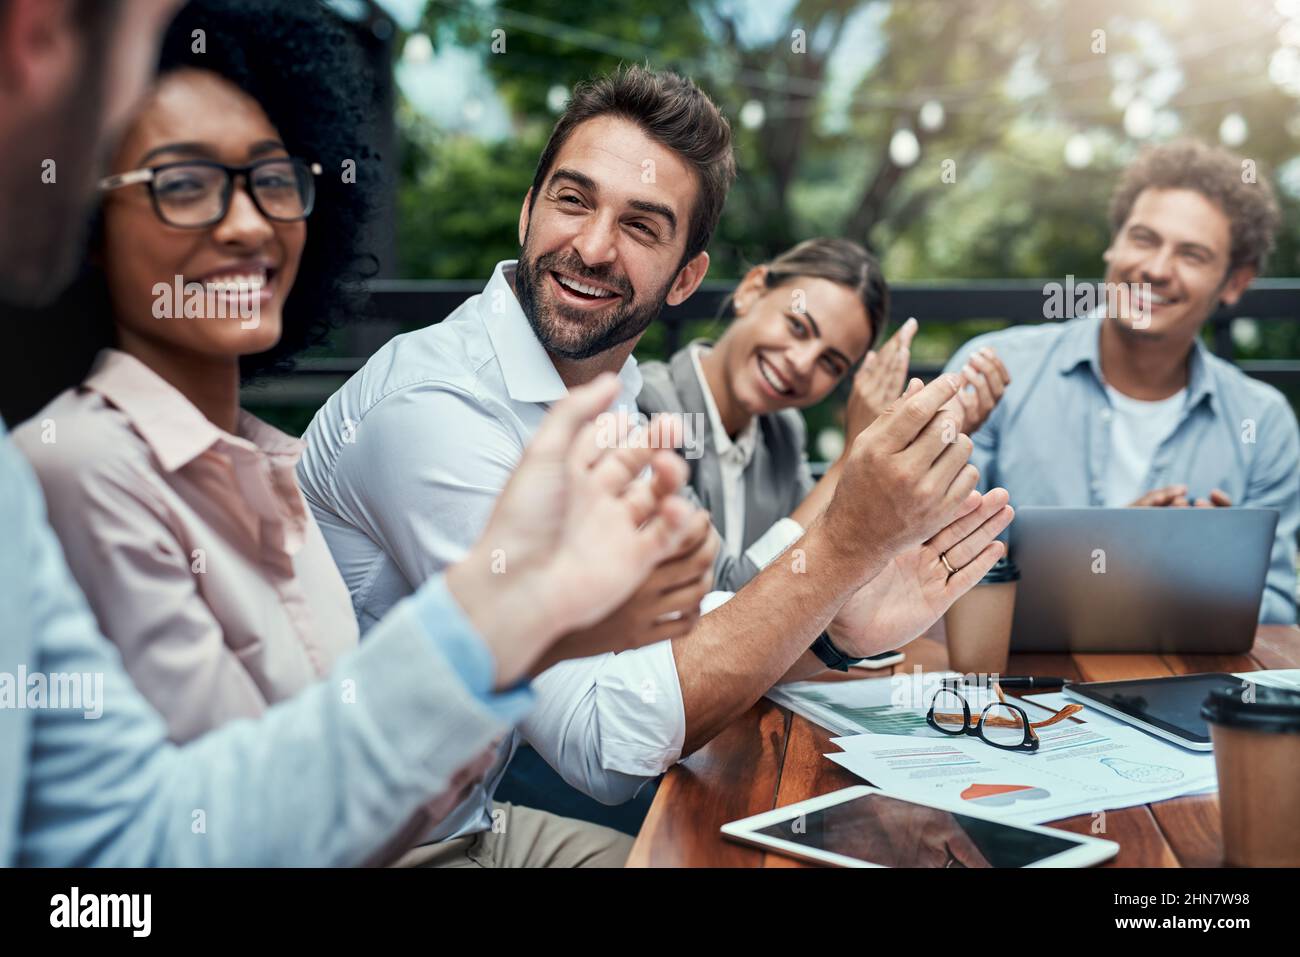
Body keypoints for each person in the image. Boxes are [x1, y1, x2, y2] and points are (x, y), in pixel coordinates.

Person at [0, 0, 699, 865]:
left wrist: (518, 621)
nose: (249, 223)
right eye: (183, 185)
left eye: (275, 180)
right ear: (89, 220)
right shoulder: (69, 472)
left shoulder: (271, 463)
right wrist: (499, 623)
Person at [298, 64, 1015, 867]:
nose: (593, 247)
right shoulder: (436, 407)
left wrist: (840, 632)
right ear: (528, 210)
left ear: (686, 278)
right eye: (574, 200)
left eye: (642, 226)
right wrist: (844, 545)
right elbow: (601, 744)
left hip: (473, 816)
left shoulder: (617, 391)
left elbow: (697, 612)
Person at [944, 140, 1299, 624]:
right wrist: (1120, 555)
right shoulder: (995, 370)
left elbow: (1279, 611)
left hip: (1184, 686)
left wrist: (1205, 571)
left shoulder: (1263, 421)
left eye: (1192, 255)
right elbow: (937, 566)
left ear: (1235, 283)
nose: (1155, 269)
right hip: (1017, 689)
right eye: (1144, 238)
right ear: (1114, 242)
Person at [638, 237, 1007, 590]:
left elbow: (827, 574)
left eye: (830, 363)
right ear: (751, 290)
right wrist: (853, 458)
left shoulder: (781, 431)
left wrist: (935, 442)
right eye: (797, 326)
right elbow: (729, 600)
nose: (801, 363)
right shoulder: (645, 408)